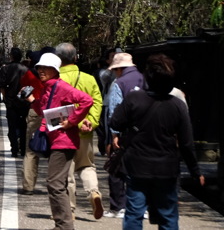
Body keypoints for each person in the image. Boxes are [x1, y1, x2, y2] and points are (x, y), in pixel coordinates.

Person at [110, 53, 204, 230]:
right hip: (166, 169)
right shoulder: (177, 105)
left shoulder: (134, 99)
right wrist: (195, 171)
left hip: (137, 166)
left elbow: (115, 122)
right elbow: (186, 143)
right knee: (167, 215)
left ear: (148, 77)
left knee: (134, 214)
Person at [24, 52, 94, 230]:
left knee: (55, 184)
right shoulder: (48, 87)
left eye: (46, 68)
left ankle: (64, 226)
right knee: (57, 183)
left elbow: (87, 100)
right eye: (39, 68)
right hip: (56, 139)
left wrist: (72, 121)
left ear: (55, 70)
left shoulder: (61, 87)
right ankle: (62, 224)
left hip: (64, 141)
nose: (41, 71)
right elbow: (45, 111)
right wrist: (32, 100)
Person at [54, 42, 104, 220]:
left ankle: (70, 210)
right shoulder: (89, 78)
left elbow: (57, 107)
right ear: (75, 58)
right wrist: (90, 121)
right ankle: (94, 193)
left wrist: (77, 121)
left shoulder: (57, 80)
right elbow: (97, 102)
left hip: (65, 133)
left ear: (58, 59)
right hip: (86, 133)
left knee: (68, 172)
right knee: (87, 165)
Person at [104, 52, 145, 218]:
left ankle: (118, 206)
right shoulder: (146, 79)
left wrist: (114, 134)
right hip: (145, 131)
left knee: (117, 168)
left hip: (125, 132)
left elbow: (115, 110)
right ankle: (142, 207)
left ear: (120, 68)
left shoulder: (119, 83)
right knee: (141, 170)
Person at [20, 47, 52, 194]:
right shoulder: (55, 73)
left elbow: (22, 89)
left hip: (35, 108)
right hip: (53, 110)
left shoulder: (30, 74)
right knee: (56, 148)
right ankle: (57, 185)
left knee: (31, 149)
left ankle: (28, 186)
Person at [0, 48, 29, 157]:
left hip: (11, 101)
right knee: (23, 126)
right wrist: (23, 97)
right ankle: (23, 148)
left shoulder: (5, 69)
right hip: (23, 101)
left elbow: (2, 86)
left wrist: (5, 97)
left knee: (12, 126)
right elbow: (29, 86)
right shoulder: (26, 69)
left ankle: (14, 149)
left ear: (11, 56)